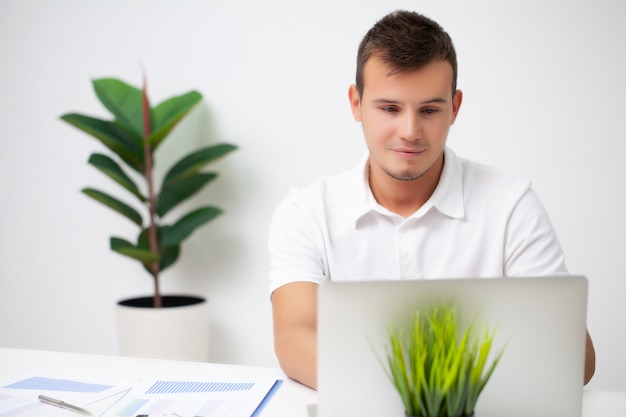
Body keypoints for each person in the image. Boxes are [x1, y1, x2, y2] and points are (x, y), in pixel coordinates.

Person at [268, 10, 595, 390]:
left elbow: (575, 359)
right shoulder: (307, 212)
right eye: (389, 108)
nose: (410, 131)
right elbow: (294, 338)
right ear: (356, 103)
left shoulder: (511, 205)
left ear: (454, 108)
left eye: (429, 110)